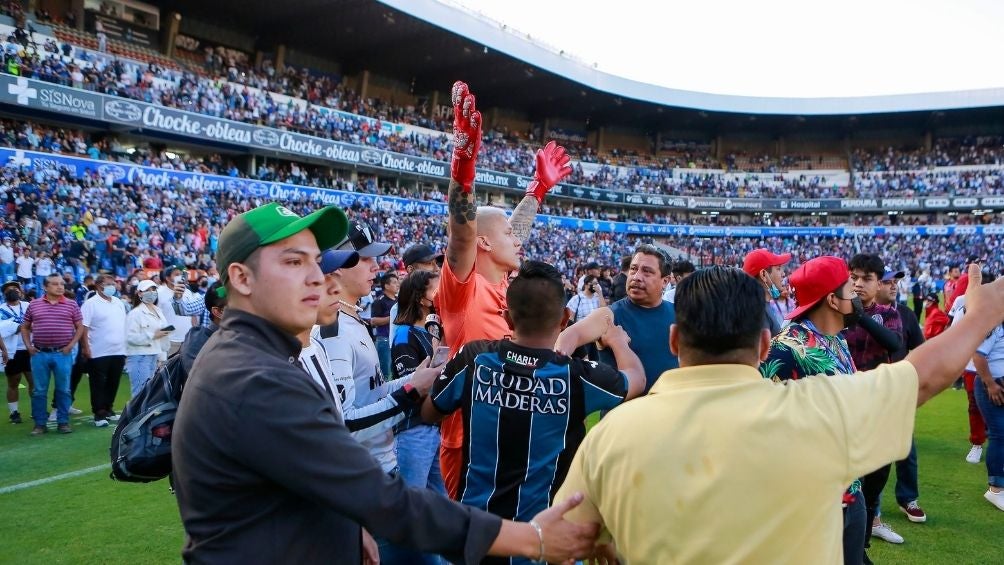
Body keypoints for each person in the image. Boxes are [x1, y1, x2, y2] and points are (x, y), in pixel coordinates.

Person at [172, 202, 598, 564]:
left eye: (315, 261)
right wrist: (530, 538)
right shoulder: (255, 378)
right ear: (242, 279)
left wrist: (345, 524)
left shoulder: (258, 357)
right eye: (292, 262)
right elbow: (382, 497)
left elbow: (306, 482)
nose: (316, 277)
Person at [555, 264, 1004, 564]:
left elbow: (563, 537)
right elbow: (924, 376)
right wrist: (981, 315)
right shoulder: (820, 413)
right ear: (765, 346)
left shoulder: (611, 435)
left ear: (674, 342)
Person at [422, 261, 645, 565]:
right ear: (565, 317)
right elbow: (635, 379)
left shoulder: (475, 358)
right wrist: (618, 342)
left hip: (477, 536)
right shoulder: (575, 376)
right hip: (546, 541)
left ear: (506, 317)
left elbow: (430, 412)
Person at [438, 80, 571, 499]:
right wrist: (464, 165)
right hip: (471, 441)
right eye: (506, 238)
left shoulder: (511, 288)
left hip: (519, 426)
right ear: (483, 243)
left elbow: (510, 231)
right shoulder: (464, 290)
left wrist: (539, 190)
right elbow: (463, 234)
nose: (519, 241)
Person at [758, 257, 867, 564]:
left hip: (850, 489)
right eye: (850, 286)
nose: (856, 292)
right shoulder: (784, 349)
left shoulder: (837, 341)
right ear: (833, 299)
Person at [844, 254, 906, 550]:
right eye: (854, 277)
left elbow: (896, 344)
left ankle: (863, 545)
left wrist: (861, 317)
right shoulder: (838, 309)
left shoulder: (887, 313)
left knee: (872, 489)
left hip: (878, 410)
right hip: (844, 409)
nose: (858, 284)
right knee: (845, 487)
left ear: (878, 282)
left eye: (866, 279)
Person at [555, 245, 678, 391]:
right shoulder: (608, 315)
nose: (636, 276)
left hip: (670, 410)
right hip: (623, 413)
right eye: (633, 269)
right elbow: (571, 335)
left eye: (647, 271)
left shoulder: (680, 313)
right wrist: (557, 366)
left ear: (665, 281)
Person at [876, 269, 928, 526]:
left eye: (895, 282)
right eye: (887, 282)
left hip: (898, 391)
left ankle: (908, 497)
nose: (893, 286)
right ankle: (869, 509)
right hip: (867, 391)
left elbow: (920, 350)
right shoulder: (859, 315)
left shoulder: (905, 314)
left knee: (906, 448)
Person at [20, 273, 85, 435]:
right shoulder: (34, 305)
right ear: (45, 287)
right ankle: (39, 424)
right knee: (39, 390)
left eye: (62, 284)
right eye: (55, 284)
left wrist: (71, 345)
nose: (60, 287)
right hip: (39, 353)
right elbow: (25, 326)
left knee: (64, 389)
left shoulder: (71, 305)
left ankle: (63, 422)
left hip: (62, 353)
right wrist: (28, 346)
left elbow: (80, 326)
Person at [80, 273, 128, 427]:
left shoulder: (118, 302)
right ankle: (99, 412)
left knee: (113, 381)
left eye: (113, 283)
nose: (112, 286)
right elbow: (84, 327)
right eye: (109, 283)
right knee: (98, 383)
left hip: (118, 350)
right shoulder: (90, 304)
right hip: (98, 350)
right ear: (99, 285)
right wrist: (86, 347)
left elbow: (123, 325)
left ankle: (109, 408)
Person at [972, 315, 1004, 511]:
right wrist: (990, 384)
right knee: (999, 435)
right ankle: (995, 489)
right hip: (991, 386)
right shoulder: (994, 326)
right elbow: (978, 355)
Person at [388, 244, 443, 342]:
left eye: (436, 263)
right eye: (430, 263)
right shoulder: (399, 309)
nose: (436, 268)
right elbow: (398, 349)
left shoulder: (442, 301)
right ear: (411, 270)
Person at [124, 279, 170, 396]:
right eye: (147, 290)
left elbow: (163, 334)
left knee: (149, 392)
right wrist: (153, 335)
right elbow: (130, 338)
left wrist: (162, 355)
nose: (151, 293)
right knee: (140, 391)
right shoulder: (135, 313)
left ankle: (144, 414)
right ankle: (137, 414)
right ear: (140, 293)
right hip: (140, 356)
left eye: (153, 290)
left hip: (154, 355)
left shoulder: (158, 311)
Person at [1, 280, 32, 424]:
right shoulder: (1, 310)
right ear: (4, 294)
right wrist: (4, 351)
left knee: (34, 382)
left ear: (21, 292)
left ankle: (36, 410)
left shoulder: (29, 306)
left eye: (15, 288)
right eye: (9, 290)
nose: (13, 291)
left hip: (30, 348)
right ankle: (14, 412)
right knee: (14, 382)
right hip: (13, 350)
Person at [742, 248, 791, 336]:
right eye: (778, 269)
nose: (783, 274)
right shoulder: (757, 313)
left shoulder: (758, 306)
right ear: (764, 275)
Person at [371, 272, 399, 379]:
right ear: (386, 286)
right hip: (385, 340)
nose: (397, 285)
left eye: (397, 282)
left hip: (397, 339)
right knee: (385, 372)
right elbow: (373, 321)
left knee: (396, 371)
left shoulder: (398, 300)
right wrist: (393, 317)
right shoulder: (379, 301)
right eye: (394, 283)